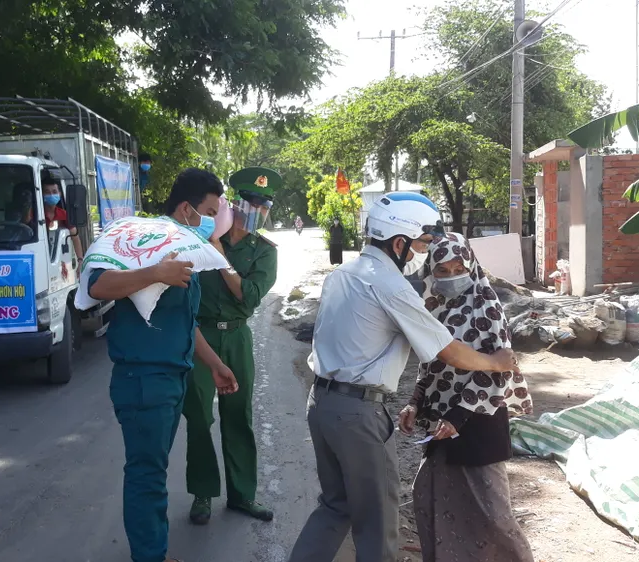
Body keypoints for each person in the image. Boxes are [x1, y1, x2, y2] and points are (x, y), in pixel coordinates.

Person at [288, 192, 521, 562]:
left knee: (335, 505)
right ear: (400, 243)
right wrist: (496, 362)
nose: (425, 255)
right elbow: (447, 352)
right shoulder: (390, 285)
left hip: (321, 404)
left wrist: (416, 400)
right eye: (423, 244)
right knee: (378, 519)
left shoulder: (342, 275)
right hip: (358, 413)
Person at [87, 167, 240, 562]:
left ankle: (152, 552)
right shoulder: (139, 238)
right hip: (144, 378)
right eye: (209, 212)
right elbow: (97, 285)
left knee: (153, 470)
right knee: (147, 474)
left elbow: (183, 321)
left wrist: (214, 363)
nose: (212, 220)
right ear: (188, 208)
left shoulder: (185, 246)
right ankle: (150, 556)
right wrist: (155, 272)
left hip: (172, 376)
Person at [400, 232, 535, 562]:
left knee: (493, 515)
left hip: (477, 424)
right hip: (441, 424)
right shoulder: (434, 308)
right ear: (431, 272)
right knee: (431, 499)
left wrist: (457, 417)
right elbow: (429, 366)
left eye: (458, 269)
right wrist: (415, 402)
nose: (451, 277)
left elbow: (500, 369)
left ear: (471, 266)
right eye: (442, 271)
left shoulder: (487, 307)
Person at [183, 167, 279, 525]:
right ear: (235, 203)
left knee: (239, 416)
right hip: (201, 337)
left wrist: (220, 255)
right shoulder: (201, 238)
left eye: (265, 205)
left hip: (237, 336)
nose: (258, 211)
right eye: (252, 203)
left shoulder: (264, 252)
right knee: (198, 416)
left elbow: (248, 297)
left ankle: (242, 495)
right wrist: (212, 244)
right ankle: (203, 493)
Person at [40, 173, 85, 265]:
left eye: (54, 192)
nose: (51, 195)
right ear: (42, 194)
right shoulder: (36, 214)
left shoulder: (64, 214)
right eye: (47, 192)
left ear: (59, 194)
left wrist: (80, 260)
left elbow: (75, 237)